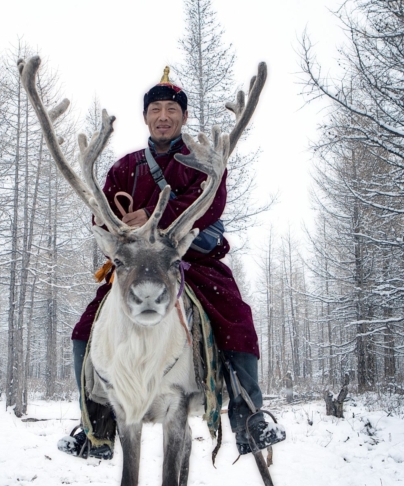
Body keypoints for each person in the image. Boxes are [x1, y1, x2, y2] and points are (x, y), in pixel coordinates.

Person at [58, 68, 286, 460]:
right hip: (133, 268)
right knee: (85, 329)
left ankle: (249, 419)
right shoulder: (123, 168)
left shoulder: (203, 161)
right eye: (156, 110)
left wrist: (151, 215)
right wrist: (114, 223)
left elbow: (211, 204)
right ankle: (95, 426)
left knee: (236, 319)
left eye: (171, 110)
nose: (163, 116)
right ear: (146, 117)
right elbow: (100, 213)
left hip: (191, 263)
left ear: (182, 116)